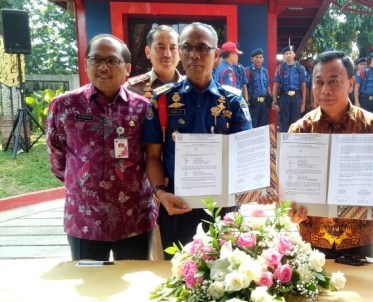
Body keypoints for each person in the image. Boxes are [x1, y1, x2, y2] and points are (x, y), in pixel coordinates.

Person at [286, 51, 373, 258]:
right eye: (319, 82)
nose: (325, 90)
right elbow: (290, 188)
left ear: (351, 83)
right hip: (312, 236)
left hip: (359, 237)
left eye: (334, 82)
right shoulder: (301, 130)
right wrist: (291, 208)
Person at [143, 22, 252, 260]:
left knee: (226, 275)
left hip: (223, 207)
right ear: (180, 53)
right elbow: (152, 156)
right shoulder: (161, 101)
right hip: (177, 205)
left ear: (215, 55)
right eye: (187, 47)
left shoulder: (233, 102)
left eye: (202, 48)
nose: (194, 54)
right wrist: (161, 193)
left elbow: (246, 156)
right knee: (180, 274)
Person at [47, 34, 156, 261]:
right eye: (96, 59)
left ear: (127, 69)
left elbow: (152, 155)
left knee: (134, 283)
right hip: (84, 218)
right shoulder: (65, 105)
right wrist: (82, 182)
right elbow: (56, 155)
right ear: (86, 63)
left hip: (133, 218)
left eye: (111, 61)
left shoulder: (143, 108)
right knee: (89, 287)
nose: (103, 67)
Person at [126, 25, 182, 99]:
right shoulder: (132, 89)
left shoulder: (190, 86)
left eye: (172, 48)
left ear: (180, 52)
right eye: (161, 48)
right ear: (148, 52)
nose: (167, 54)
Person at [272, 45, 306, 132]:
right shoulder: (280, 68)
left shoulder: (300, 68)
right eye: (286, 54)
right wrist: (275, 101)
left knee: (296, 122)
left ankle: (294, 144)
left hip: (296, 98)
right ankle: (283, 143)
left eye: (290, 53)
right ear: (284, 56)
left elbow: (303, 87)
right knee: (283, 122)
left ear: (294, 54)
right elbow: (275, 85)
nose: (288, 55)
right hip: (284, 98)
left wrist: (303, 104)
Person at [245, 47, 272, 128]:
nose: (258, 60)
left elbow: (268, 87)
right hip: (252, 104)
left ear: (263, 59)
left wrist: (272, 98)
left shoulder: (265, 71)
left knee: (263, 126)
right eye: (256, 57)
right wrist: (245, 100)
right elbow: (244, 86)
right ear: (252, 59)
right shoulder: (247, 70)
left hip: (264, 104)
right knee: (252, 126)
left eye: (260, 57)